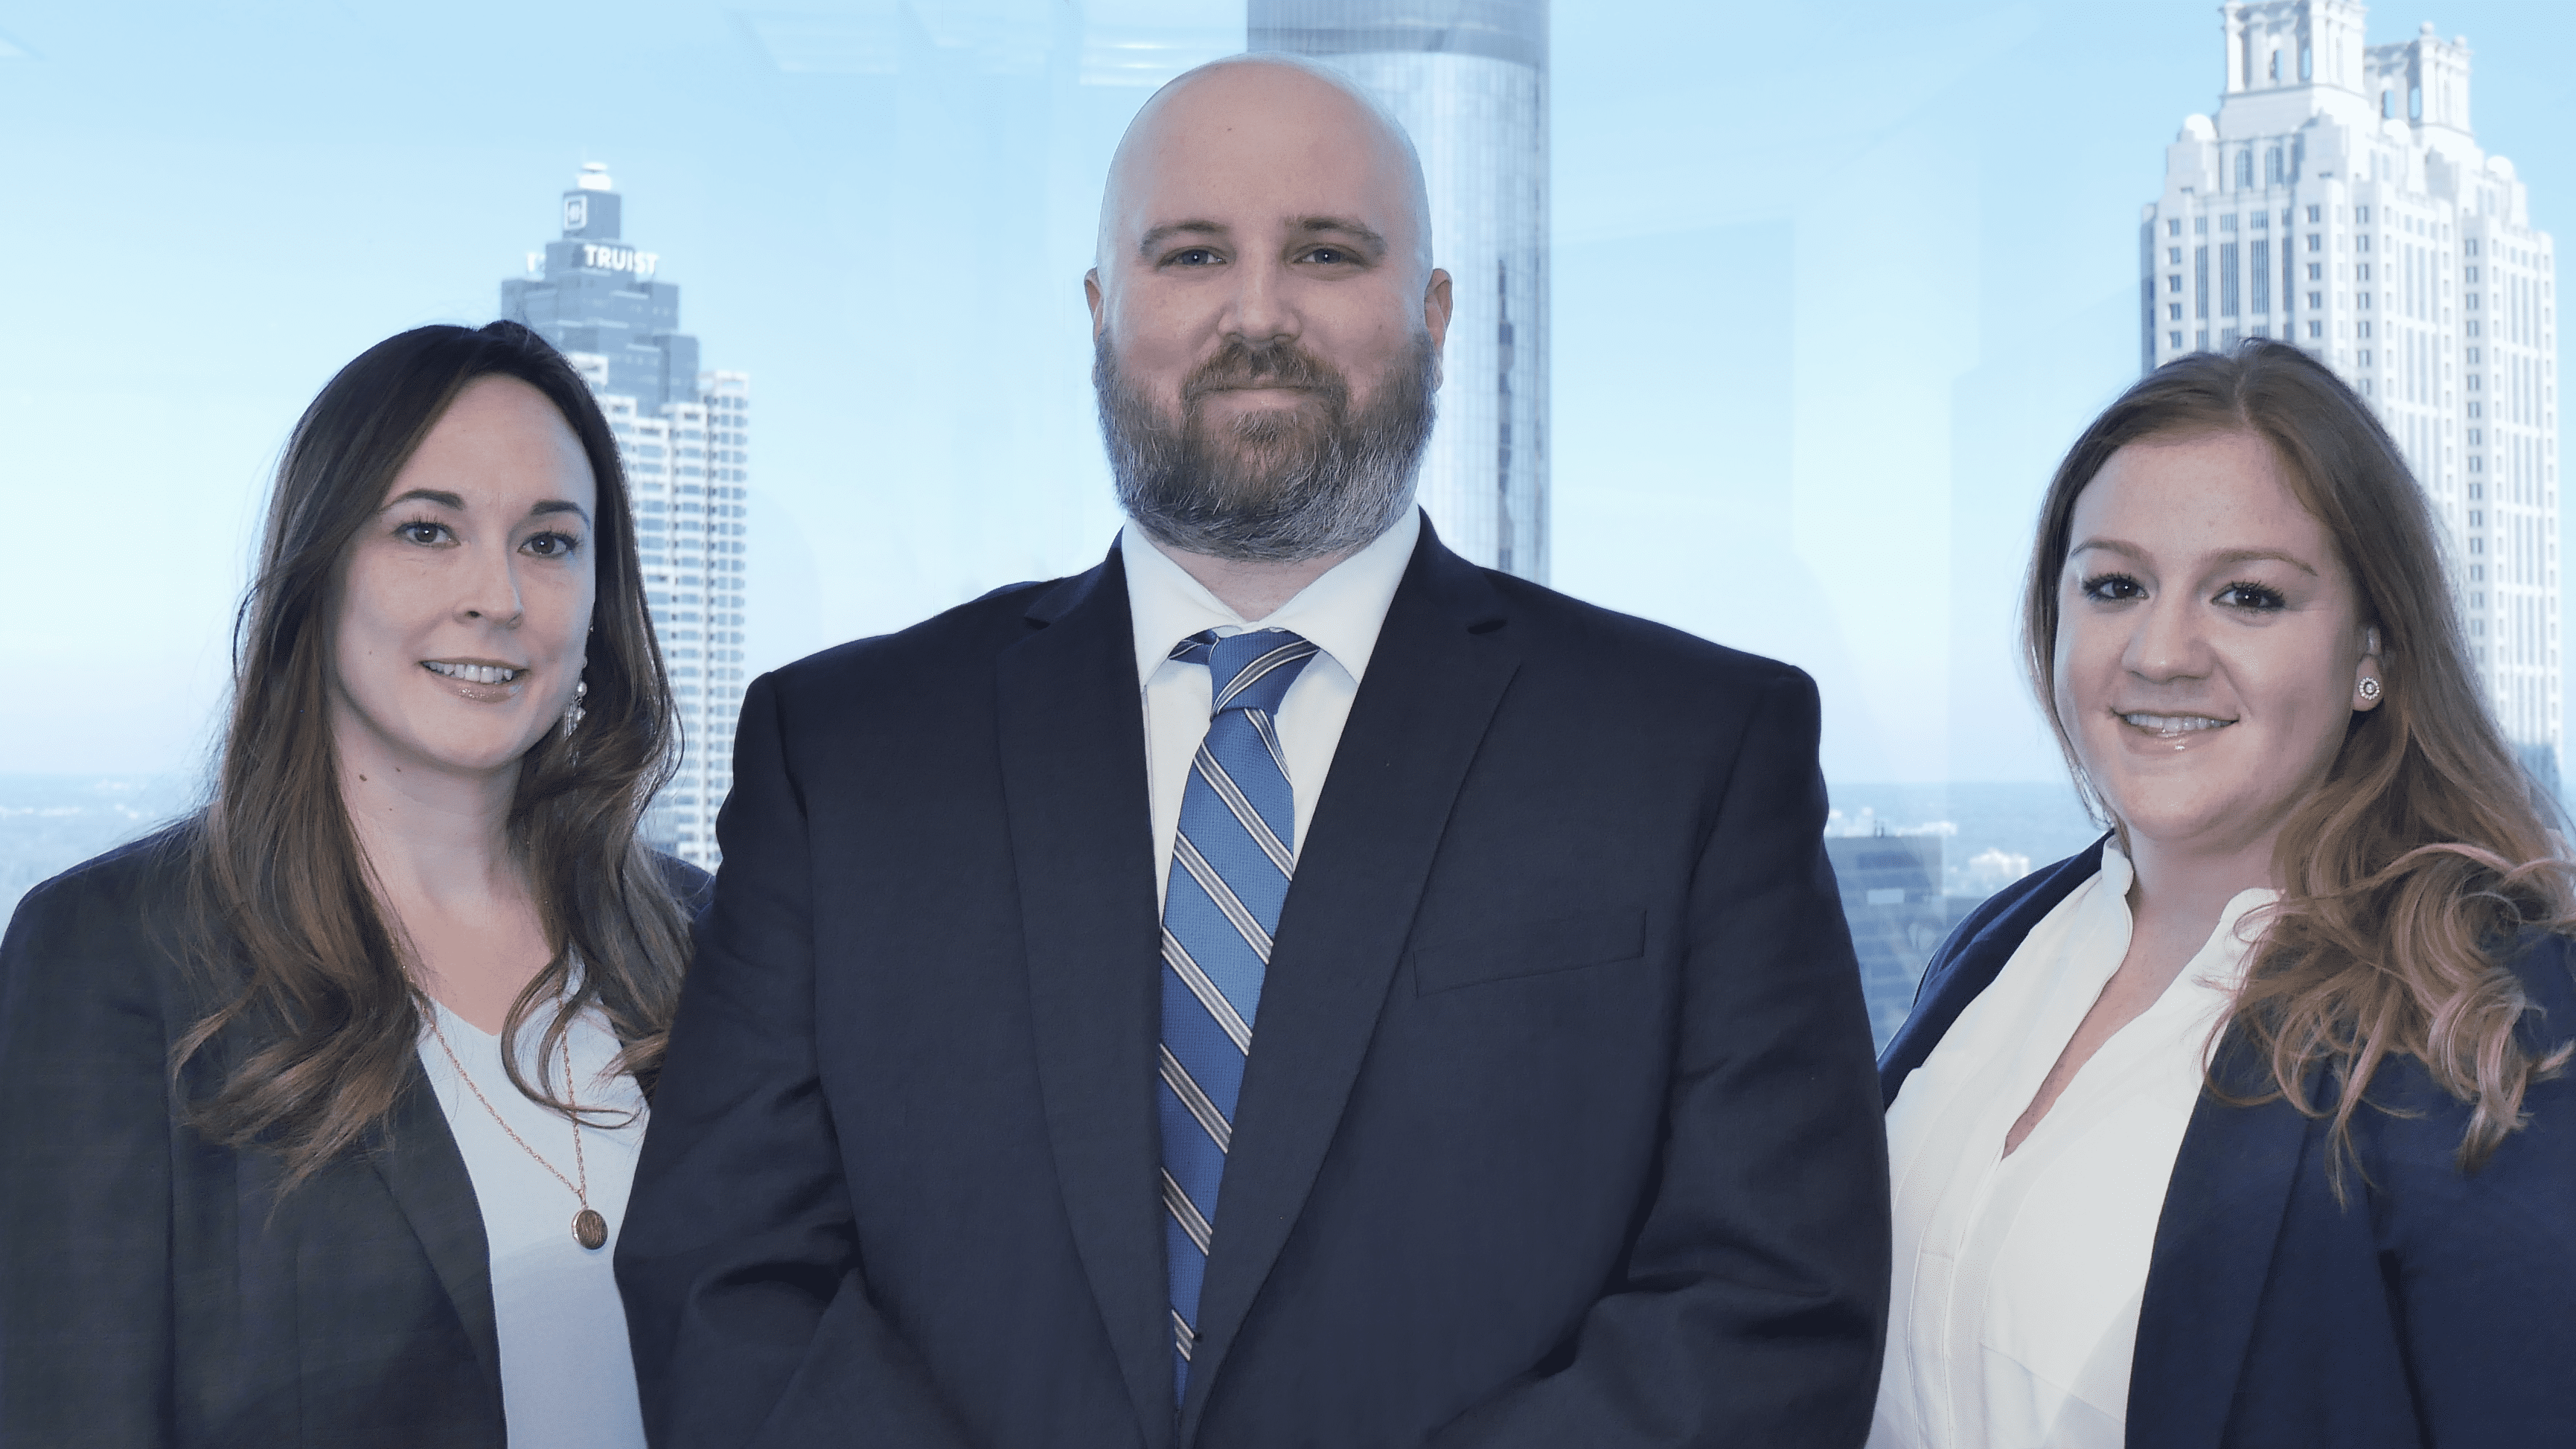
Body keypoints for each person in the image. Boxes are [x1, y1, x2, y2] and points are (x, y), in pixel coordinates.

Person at [616, 54, 1888, 1449]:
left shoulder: (1692, 751)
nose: (1259, 312)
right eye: (1193, 252)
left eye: (1328, 253)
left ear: (1435, 313)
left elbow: (1770, 1299)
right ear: (1104, 312)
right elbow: (729, 1274)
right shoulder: (845, 754)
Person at [0, 321, 706, 1448]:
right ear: (320, 569)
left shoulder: (702, 936)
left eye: (551, 542)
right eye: (429, 530)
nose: (499, 596)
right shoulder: (113, 955)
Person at [1873, 339, 2576, 1447]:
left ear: (2371, 651)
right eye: (2115, 585)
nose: (2161, 650)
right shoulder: (2004, 941)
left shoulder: (2487, 1004)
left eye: (2247, 595)